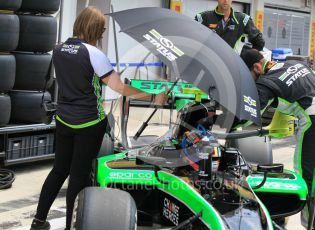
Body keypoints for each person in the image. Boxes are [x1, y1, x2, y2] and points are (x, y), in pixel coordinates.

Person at [30, 6, 168, 230]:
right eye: (101, 31)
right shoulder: (95, 54)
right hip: (90, 123)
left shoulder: (58, 49)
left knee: (58, 170)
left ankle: (38, 221)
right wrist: (154, 96)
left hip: (64, 119)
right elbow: (120, 88)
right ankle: (71, 226)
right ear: (94, 29)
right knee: (79, 176)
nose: (102, 36)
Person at [241, 49, 315, 228]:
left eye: (247, 75)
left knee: (306, 181)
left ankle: (312, 226)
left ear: (257, 67)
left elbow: (249, 115)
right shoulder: (295, 63)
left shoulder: (265, 82)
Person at [195, 0, 265, 54]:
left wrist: (247, 57)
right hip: (209, 63)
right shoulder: (202, 18)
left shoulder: (243, 19)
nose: (225, 1)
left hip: (231, 66)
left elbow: (259, 42)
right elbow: (191, 38)